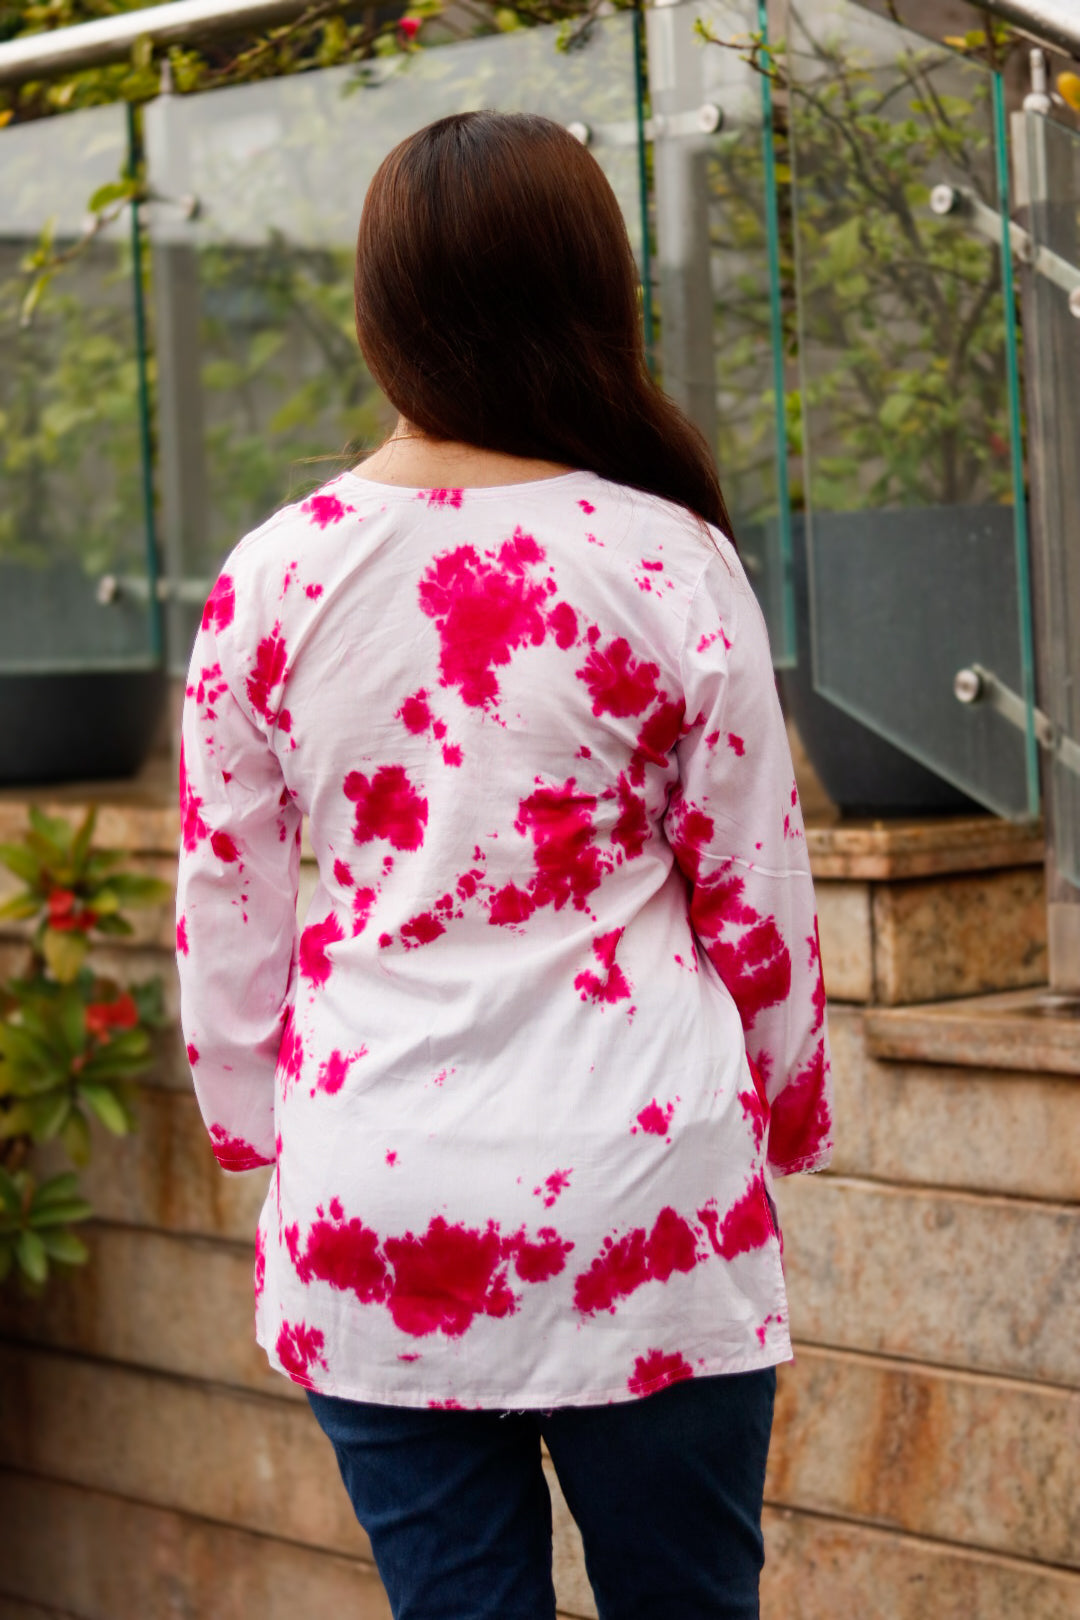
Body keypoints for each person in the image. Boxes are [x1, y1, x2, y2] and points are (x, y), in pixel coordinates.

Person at [176, 110, 832, 1620]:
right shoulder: (669, 557)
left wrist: (248, 1128)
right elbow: (760, 900)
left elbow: (230, 917)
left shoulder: (272, 576)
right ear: (596, 296)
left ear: (380, 306)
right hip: (647, 1206)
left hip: (377, 1215)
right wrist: (789, 1113)